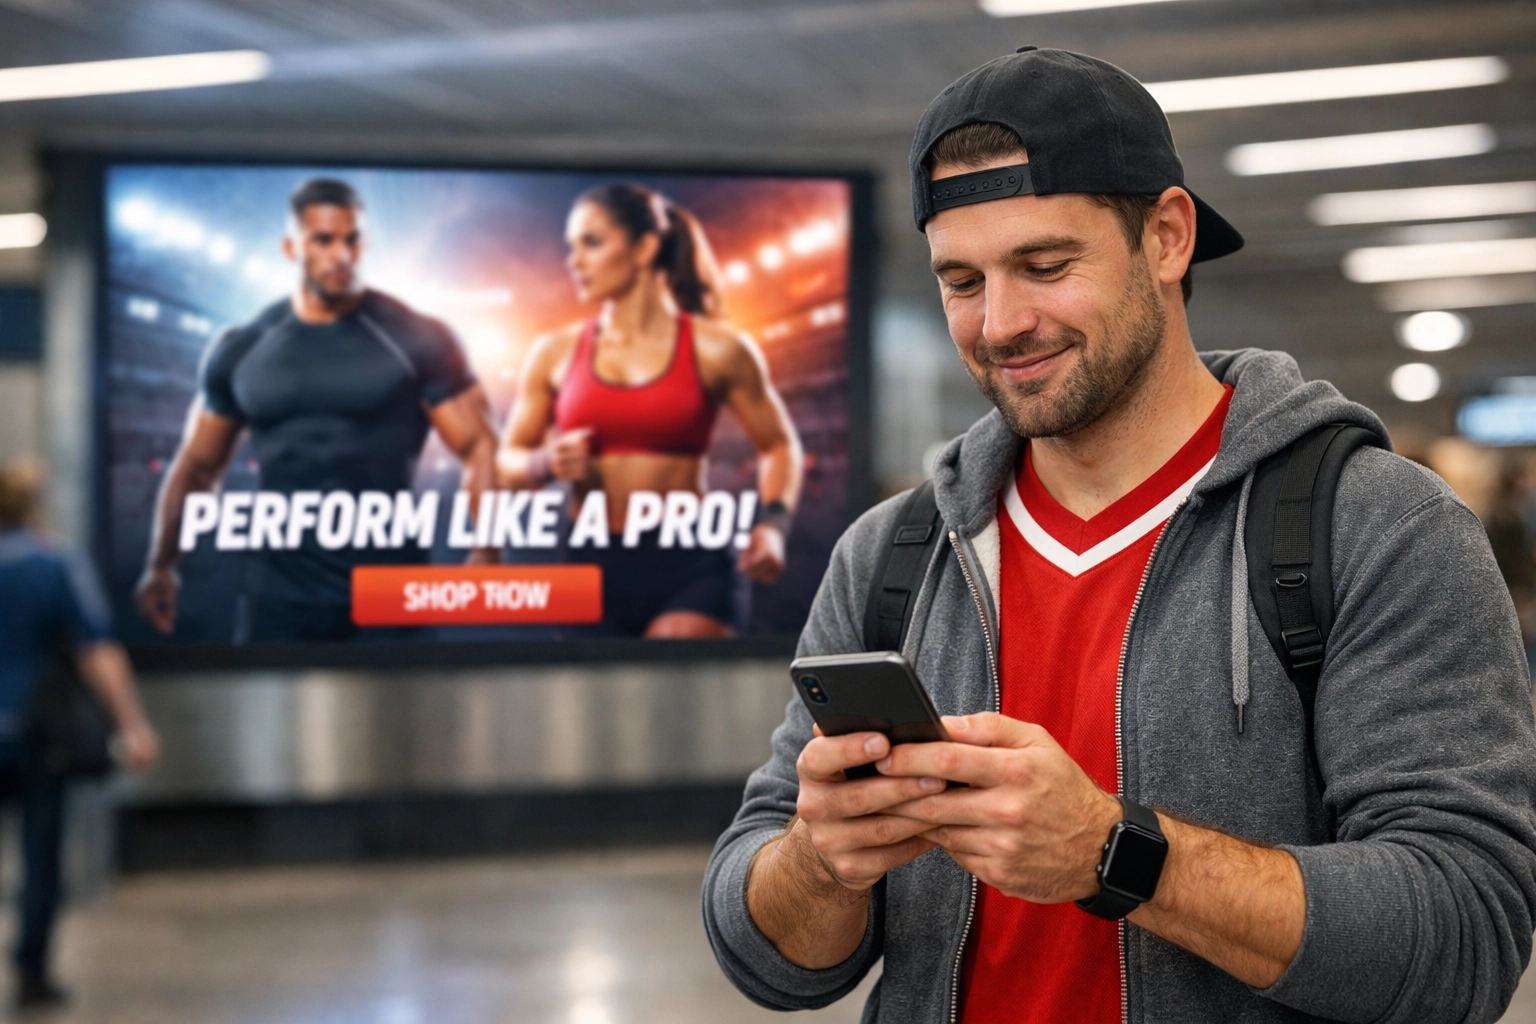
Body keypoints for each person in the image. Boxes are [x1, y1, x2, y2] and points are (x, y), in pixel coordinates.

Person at [705, 48, 1536, 1024]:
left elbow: (1463, 940)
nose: (1000, 323)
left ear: (1168, 238)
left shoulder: (1375, 528)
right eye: (962, 280)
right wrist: (821, 860)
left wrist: (1115, 852)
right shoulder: (895, 555)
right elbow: (767, 958)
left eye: (1045, 266)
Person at [135, 178, 499, 643]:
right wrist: (160, 564)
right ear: (291, 248)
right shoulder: (243, 347)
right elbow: (198, 466)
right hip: (278, 596)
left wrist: (486, 553)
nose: (341, 255)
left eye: (352, 240)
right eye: (323, 240)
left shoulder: (418, 338)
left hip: (391, 592)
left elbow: (478, 445)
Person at [498, 183, 803, 637]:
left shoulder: (718, 349)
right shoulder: (553, 353)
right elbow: (507, 462)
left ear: (644, 248)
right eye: (571, 246)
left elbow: (778, 444)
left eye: (591, 243)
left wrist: (773, 526)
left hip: (690, 561)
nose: (574, 262)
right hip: (591, 562)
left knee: (676, 664)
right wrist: (544, 462)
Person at [0, 461, 160, 1007]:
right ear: (36, 505)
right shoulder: (57, 564)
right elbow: (98, 651)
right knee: (41, 855)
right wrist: (132, 725)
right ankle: (31, 970)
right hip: (39, 731)